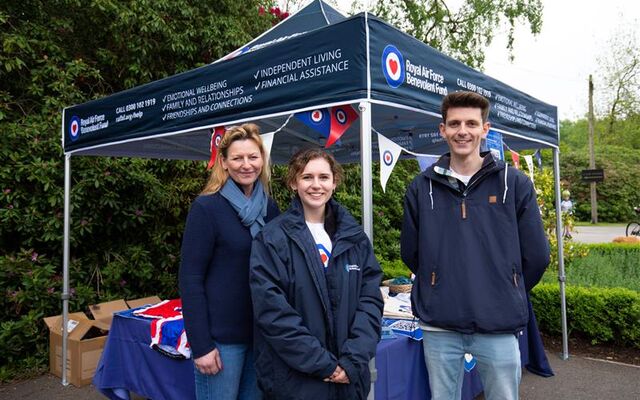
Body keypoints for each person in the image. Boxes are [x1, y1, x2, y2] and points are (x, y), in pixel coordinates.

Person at [401, 91, 550, 400]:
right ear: (442, 130)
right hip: (440, 325)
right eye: (454, 124)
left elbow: (536, 256)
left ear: (486, 129)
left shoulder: (514, 183)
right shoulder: (421, 187)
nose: (462, 131)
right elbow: (412, 253)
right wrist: (437, 284)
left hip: (497, 323)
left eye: (471, 123)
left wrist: (505, 287)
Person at [249, 148, 384, 400]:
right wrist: (324, 364)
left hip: (348, 381)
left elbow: (371, 302)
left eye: (323, 177)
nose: (316, 185)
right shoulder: (271, 239)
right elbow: (272, 312)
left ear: (335, 182)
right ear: (293, 183)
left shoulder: (354, 238)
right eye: (307, 177)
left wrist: (352, 361)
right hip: (295, 383)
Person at [179, 123, 280, 400]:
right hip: (221, 341)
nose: (246, 165)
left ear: (263, 160)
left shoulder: (270, 208)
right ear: (223, 162)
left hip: (261, 334)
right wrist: (201, 345)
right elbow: (191, 279)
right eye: (237, 158)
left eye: (253, 157)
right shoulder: (207, 207)